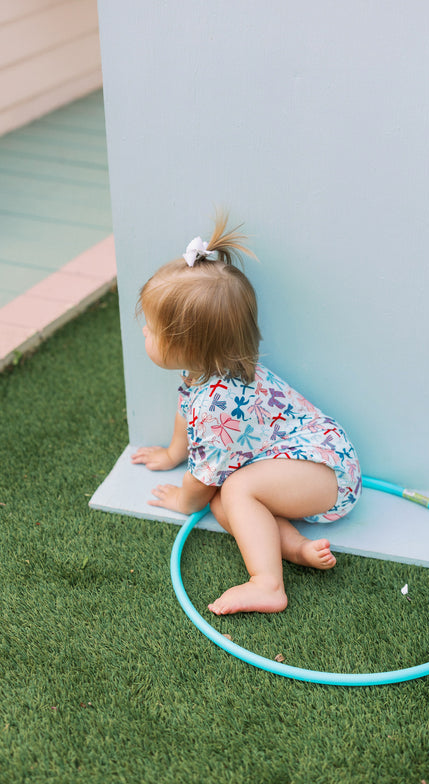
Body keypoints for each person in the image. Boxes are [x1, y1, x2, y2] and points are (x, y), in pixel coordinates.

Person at [132, 214, 361, 615]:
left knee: (231, 491)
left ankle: (267, 584)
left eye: (152, 328)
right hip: (299, 465)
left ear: (189, 344)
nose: (144, 332)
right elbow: (187, 415)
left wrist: (184, 501)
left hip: (327, 473)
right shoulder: (206, 377)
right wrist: (172, 454)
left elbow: (202, 479)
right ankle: (294, 548)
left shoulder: (218, 404)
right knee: (226, 502)